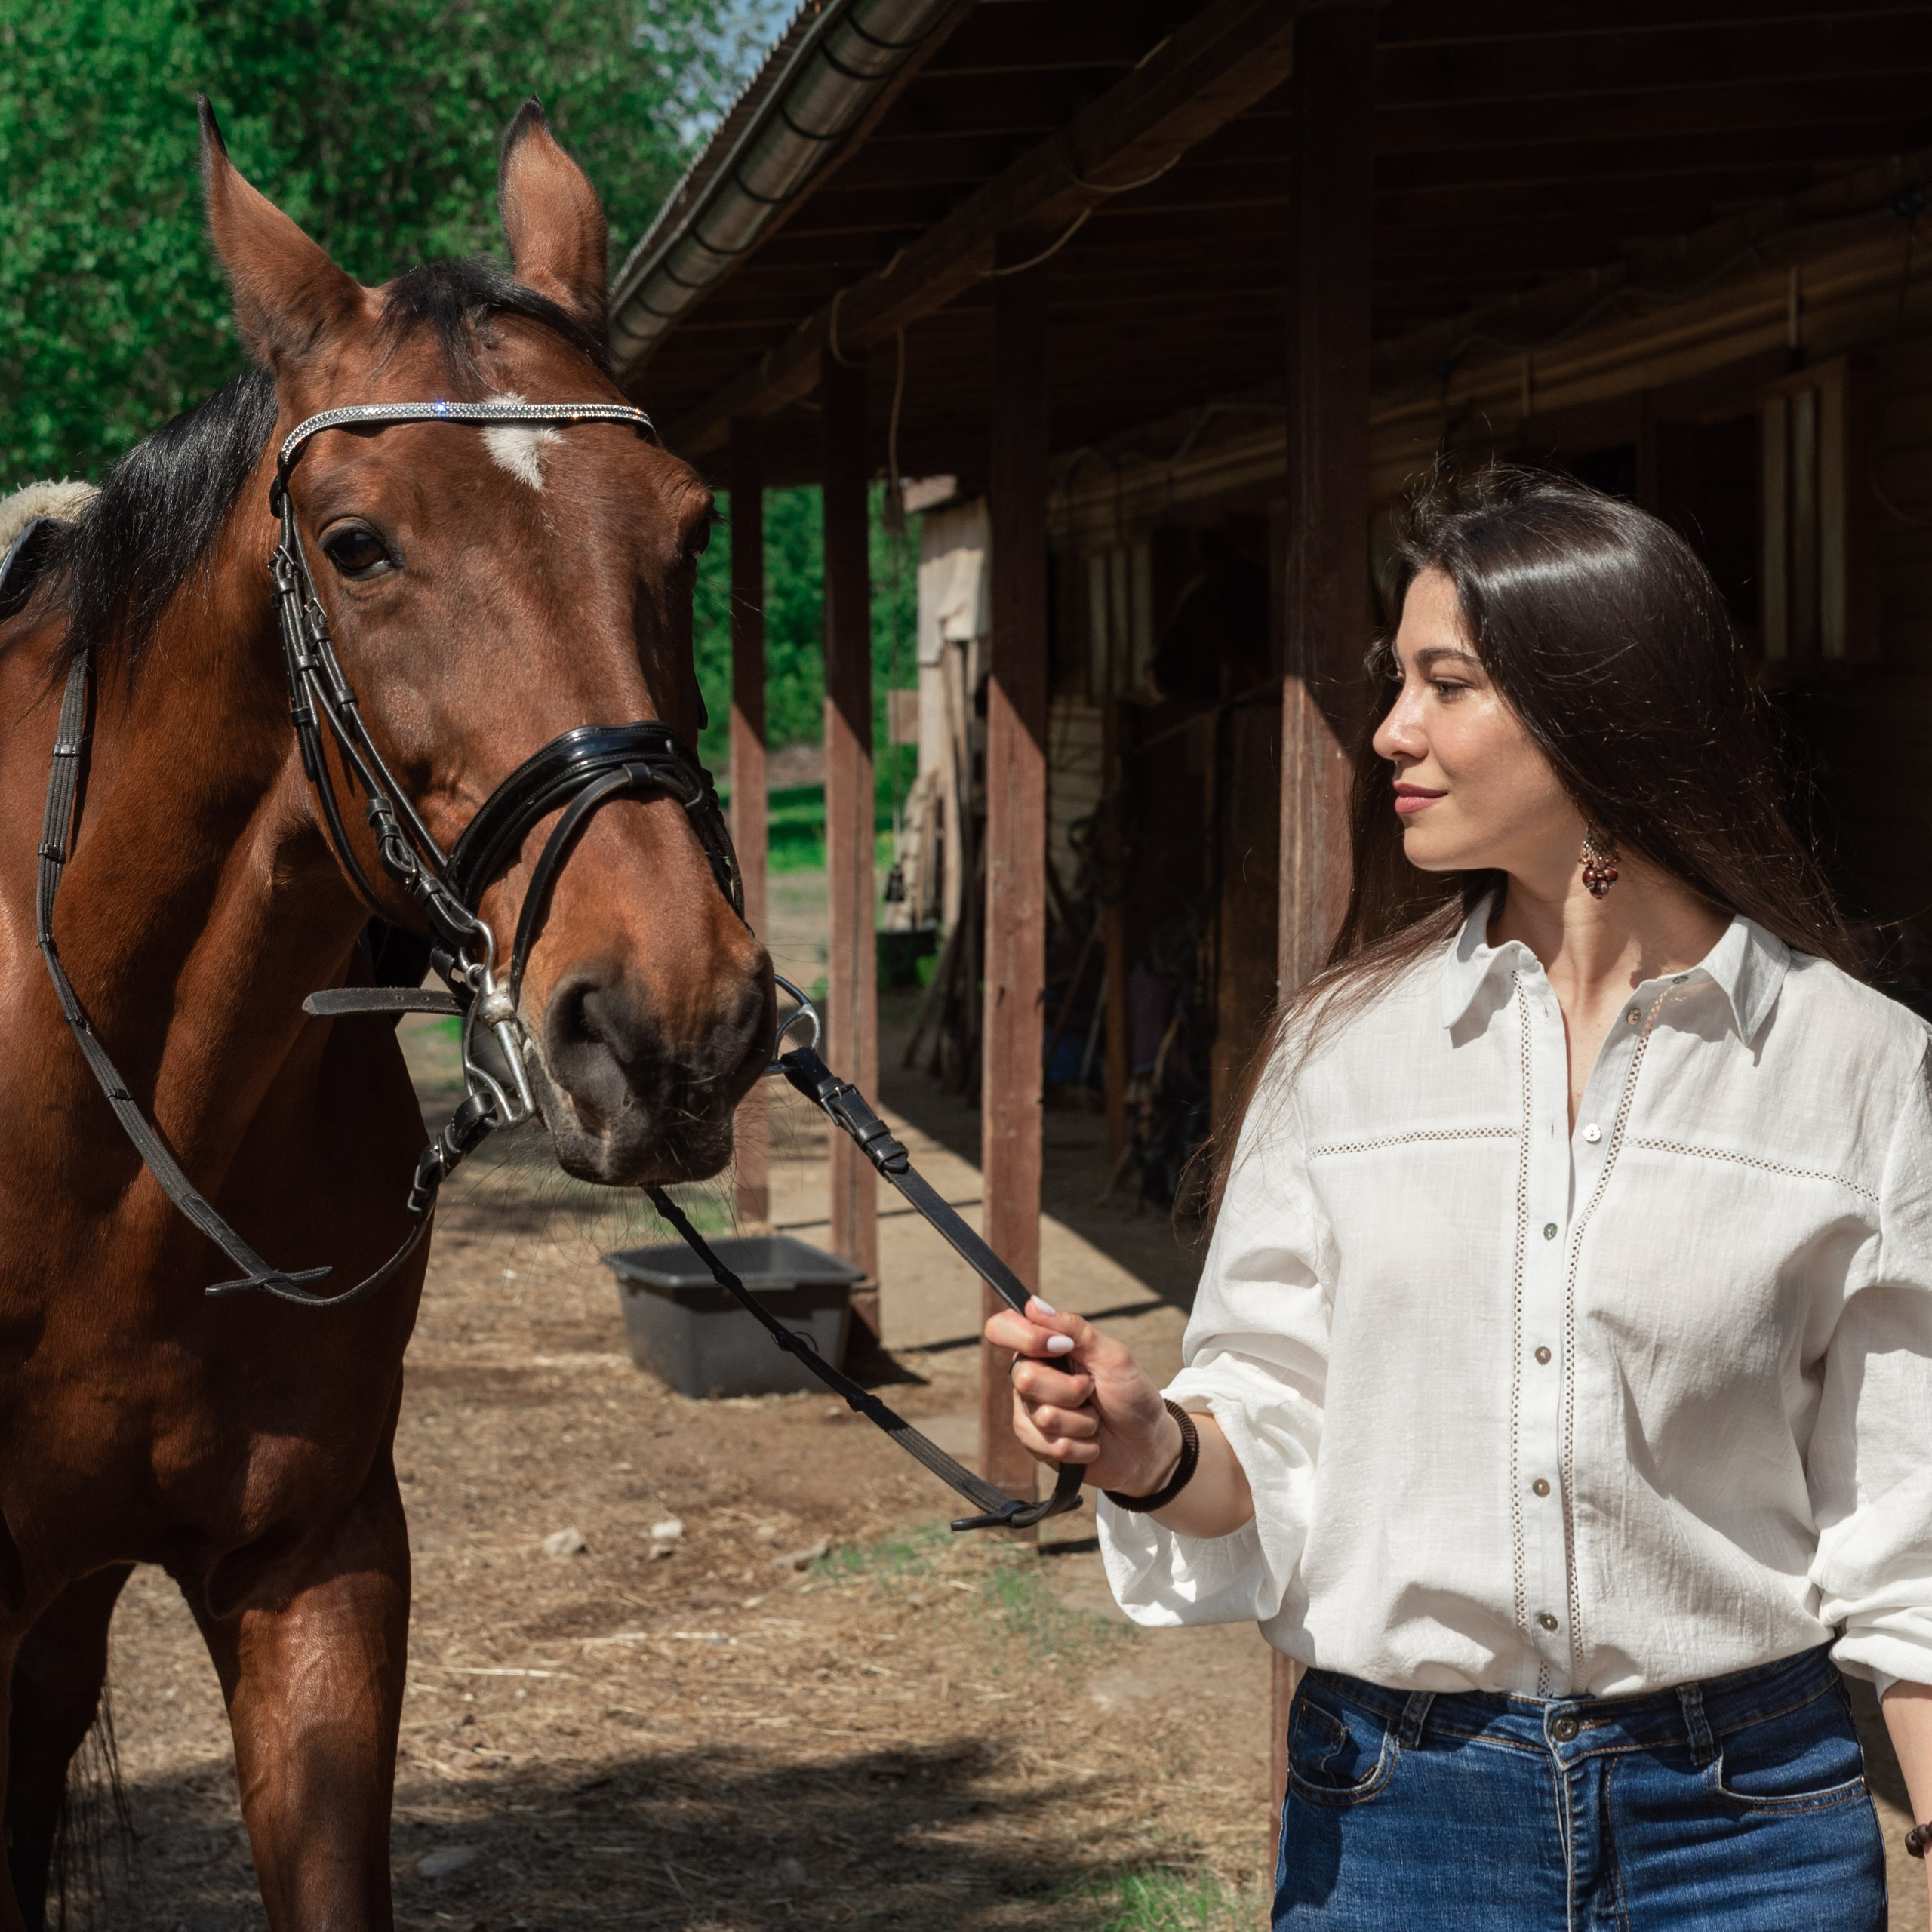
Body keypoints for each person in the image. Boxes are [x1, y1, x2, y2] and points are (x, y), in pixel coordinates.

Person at [986, 470, 1932, 1930]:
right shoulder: (1343, 1054)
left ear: (1595, 705)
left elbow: (1910, 1521)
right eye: (1398, 680)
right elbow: (1275, 1451)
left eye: (1447, 683)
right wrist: (1145, 1442)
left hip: (1749, 1834)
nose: (1390, 732)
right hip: (1401, 1821)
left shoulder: (1859, 1069)